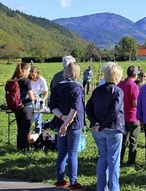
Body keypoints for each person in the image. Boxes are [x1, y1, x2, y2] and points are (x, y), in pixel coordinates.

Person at [86, 62, 124, 191]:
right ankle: (114, 188)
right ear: (117, 76)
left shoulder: (97, 90)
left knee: (103, 158)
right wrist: (102, 125)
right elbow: (114, 111)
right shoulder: (118, 91)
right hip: (113, 128)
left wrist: (95, 122)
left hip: (98, 129)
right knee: (113, 160)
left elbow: (88, 107)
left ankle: (101, 188)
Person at [51, 62, 86, 191]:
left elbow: (53, 107)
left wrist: (62, 118)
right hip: (74, 123)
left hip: (60, 121)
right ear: (77, 73)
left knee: (62, 152)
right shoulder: (77, 88)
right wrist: (67, 123)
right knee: (72, 152)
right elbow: (75, 108)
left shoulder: (56, 88)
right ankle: (73, 182)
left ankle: (60, 180)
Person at [117, 66, 140, 165]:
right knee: (133, 140)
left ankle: (119, 159)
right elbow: (135, 103)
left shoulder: (120, 84)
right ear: (135, 75)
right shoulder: (133, 86)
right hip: (132, 116)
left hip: (122, 116)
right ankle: (131, 161)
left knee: (123, 140)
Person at [10, 62, 36, 151]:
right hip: (26, 107)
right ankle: (24, 148)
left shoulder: (14, 80)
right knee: (26, 129)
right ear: (24, 71)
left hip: (17, 108)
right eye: (28, 71)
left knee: (20, 128)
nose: (29, 73)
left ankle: (19, 147)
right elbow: (31, 98)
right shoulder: (26, 81)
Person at [29, 66, 49, 134]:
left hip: (38, 101)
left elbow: (46, 91)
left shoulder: (41, 79)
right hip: (30, 100)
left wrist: (43, 99)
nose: (32, 76)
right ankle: (29, 135)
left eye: (33, 75)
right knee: (29, 118)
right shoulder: (28, 80)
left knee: (38, 118)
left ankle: (38, 134)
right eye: (31, 75)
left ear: (37, 73)